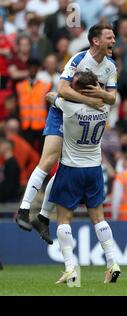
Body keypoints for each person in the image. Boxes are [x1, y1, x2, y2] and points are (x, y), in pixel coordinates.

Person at [15, 24, 117, 243]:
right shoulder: (78, 60)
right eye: (110, 37)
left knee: (66, 168)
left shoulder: (111, 67)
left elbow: (112, 98)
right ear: (96, 41)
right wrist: (91, 99)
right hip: (61, 112)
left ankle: (42, 216)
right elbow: (61, 90)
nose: (114, 41)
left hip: (82, 116)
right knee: (49, 158)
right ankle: (23, 210)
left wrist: (101, 94)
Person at [46, 70, 120, 285]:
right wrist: (98, 94)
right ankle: (113, 263)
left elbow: (50, 96)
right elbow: (108, 98)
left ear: (78, 89)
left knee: (63, 220)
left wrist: (71, 93)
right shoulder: (104, 108)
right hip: (95, 169)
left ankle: (71, 269)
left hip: (71, 168)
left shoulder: (70, 107)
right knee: (99, 218)